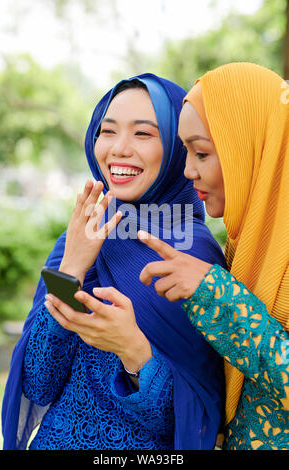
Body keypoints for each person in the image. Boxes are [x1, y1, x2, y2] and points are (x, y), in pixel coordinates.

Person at [2, 73, 227, 451]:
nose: (119, 149)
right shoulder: (80, 238)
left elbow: (193, 425)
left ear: (176, 148)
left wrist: (134, 351)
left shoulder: (194, 258)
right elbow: (38, 383)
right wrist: (69, 271)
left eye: (143, 134)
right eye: (107, 131)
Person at [138, 62, 289, 450]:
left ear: (249, 149)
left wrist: (215, 294)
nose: (188, 170)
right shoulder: (245, 245)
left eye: (202, 153)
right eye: (186, 152)